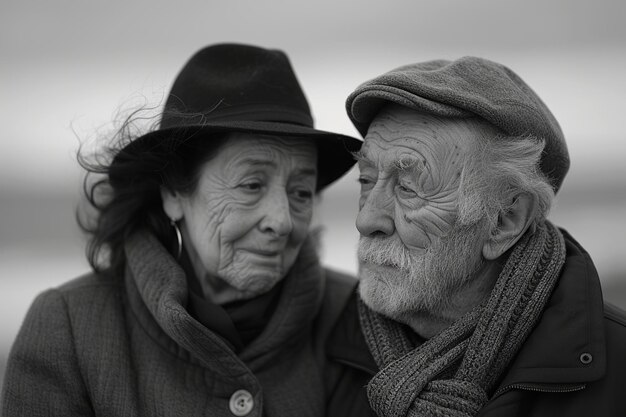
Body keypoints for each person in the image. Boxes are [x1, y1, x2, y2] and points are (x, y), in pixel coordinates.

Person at [1, 43, 363, 416]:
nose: (283, 220)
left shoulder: (353, 317)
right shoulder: (68, 329)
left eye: (301, 192)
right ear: (174, 192)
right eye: (251, 185)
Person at [324, 57, 626, 416]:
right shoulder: (320, 346)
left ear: (504, 221)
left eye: (409, 187)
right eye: (366, 179)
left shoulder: (616, 373)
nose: (365, 218)